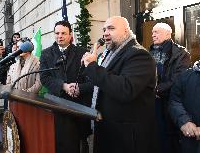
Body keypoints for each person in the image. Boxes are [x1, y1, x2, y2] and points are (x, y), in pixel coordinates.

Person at [81, 16, 157, 153]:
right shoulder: (111, 53)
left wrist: (92, 66)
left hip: (126, 138)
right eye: (104, 29)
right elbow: (102, 84)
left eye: (111, 28)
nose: (105, 33)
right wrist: (79, 87)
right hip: (108, 131)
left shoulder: (139, 55)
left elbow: (125, 89)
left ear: (126, 31)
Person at [40, 21, 93, 153]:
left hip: (78, 106)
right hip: (56, 107)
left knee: (80, 145)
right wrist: (64, 86)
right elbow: (44, 78)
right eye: (57, 33)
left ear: (70, 35)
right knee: (59, 144)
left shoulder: (83, 52)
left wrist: (79, 88)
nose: (60, 36)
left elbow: (92, 79)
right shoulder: (46, 54)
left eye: (63, 33)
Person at [149, 22, 191, 153]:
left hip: (171, 101)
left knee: (171, 138)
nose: (153, 35)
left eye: (157, 32)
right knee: (155, 135)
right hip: (152, 101)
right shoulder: (148, 51)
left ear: (168, 34)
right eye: (152, 32)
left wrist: (156, 90)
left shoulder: (180, 53)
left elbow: (179, 78)